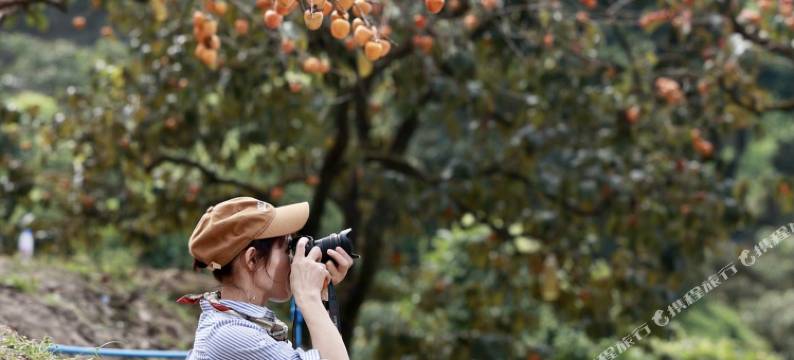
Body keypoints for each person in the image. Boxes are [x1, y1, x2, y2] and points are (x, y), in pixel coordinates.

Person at [180, 197, 354, 360]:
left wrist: (320, 293)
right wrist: (308, 297)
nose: (294, 260)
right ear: (252, 259)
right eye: (288, 249)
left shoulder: (244, 323)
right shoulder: (228, 334)